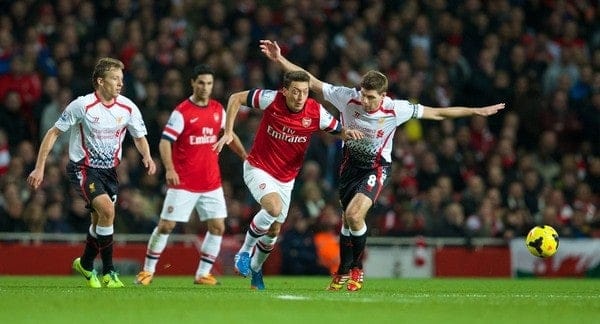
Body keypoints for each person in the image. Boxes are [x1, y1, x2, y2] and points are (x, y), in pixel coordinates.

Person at [260, 39, 506, 291]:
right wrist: (279, 59)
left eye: (371, 97)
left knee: (355, 216)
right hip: (348, 167)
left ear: (383, 96)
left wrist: (476, 111)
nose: (365, 101)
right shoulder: (347, 97)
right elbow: (310, 81)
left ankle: (357, 270)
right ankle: (343, 271)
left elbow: (438, 113)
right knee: (347, 221)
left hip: (376, 168)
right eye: (363, 95)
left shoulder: (395, 109)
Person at [213, 70, 363, 290]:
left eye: (304, 92)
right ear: (285, 91)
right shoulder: (271, 99)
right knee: (273, 208)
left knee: (274, 231)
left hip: (286, 179)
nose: (300, 96)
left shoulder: (315, 111)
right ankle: (244, 252)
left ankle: (255, 268)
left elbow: (337, 130)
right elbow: (236, 98)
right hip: (258, 168)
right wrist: (228, 132)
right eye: (295, 91)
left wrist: (348, 134)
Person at [27, 57, 157, 288]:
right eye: (115, 79)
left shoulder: (127, 107)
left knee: (100, 221)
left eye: (121, 79)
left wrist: (146, 156)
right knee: (107, 210)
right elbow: (53, 133)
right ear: (100, 81)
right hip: (84, 169)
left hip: (110, 171)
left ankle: (86, 264)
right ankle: (109, 271)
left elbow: (139, 136)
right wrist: (40, 166)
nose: (120, 84)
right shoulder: (82, 105)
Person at [134, 64, 247, 286]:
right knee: (166, 226)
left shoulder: (218, 110)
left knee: (218, 227)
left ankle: (203, 273)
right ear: (193, 83)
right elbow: (166, 141)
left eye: (209, 83)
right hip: (184, 182)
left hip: (211, 182)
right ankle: (147, 271)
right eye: (201, 83)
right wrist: (169, 169)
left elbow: (228, 135)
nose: (205, 87)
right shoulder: (182, 112)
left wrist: (245, 156)